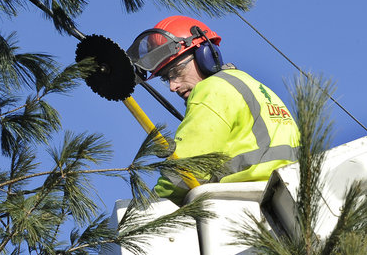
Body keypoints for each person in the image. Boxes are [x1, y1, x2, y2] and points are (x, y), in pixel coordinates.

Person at [127, 15, 301, 204]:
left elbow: (183, 172)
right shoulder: (253, 86)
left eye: (176, 72)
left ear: (205, 56)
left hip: (245, 202)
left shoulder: (211, 90)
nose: (172, 86)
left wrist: (147, 212)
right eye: (166, 78)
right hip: (288, 198)